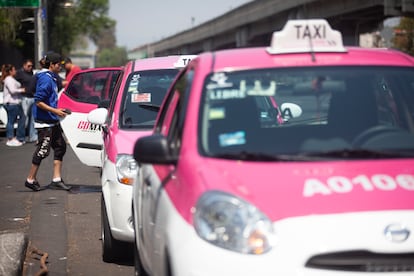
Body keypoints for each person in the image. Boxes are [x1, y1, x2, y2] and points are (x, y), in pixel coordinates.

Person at [24, 52, 71, 192]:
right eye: (58, 65)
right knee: (43, 151)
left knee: (60, 147)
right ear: (51, 65)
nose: (60, 67)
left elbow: (49, 99)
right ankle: (30, 179)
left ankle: (56, 179)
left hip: (51, 120)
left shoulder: (50, 77)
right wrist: (55, 111)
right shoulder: (45, 78)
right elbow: (38, 101)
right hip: (45, 122)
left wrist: (57, 109)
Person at [1, 64, 26, 146]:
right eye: (14, 70)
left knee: (20, 118)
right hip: (11, 103)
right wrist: (22, 90)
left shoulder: (11, 79)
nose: (15, 71)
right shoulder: (9, 79)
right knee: (11, 121)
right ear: (10, 71)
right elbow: (12, 90)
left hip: (15, 102)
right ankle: (10, 138)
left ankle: (18, 137)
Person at [15, 59, 38, 143]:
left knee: (33, 119)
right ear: (24, 65)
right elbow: (12, 83)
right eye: (28, 66)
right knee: (24, 119)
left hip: (32, 97)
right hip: (24, 98)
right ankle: (21, 137)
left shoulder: (31, 73)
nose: (30, 67)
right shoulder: (19, 73)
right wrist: (20, 89)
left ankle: (33, 136)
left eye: (31, 66)